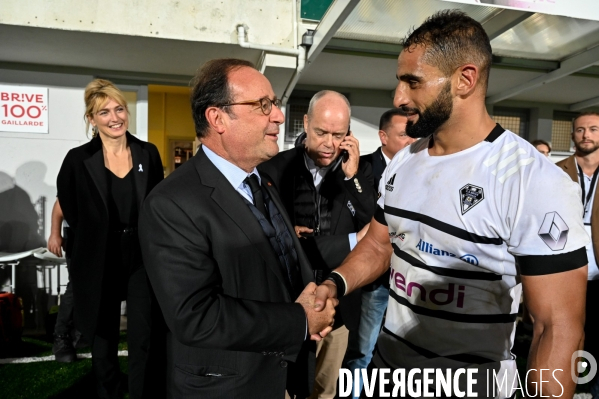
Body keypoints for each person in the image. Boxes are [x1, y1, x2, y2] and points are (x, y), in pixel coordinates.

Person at [313, 10, 589, 398]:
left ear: (465, 79)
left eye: (413, 82)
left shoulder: (533, 180)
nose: (399, 98)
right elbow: (379, 243)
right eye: (399, 81)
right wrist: (335, 283)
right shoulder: (405, 161)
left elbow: (557, 327)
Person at [138, 59, 337, 399]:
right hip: (229, 385)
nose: (277, 115)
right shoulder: (171, 203)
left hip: (286, 374)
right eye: (262, 105)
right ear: (217, 119)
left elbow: (275, 262)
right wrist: (299, 320)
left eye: (274, 103)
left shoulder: (264, 180)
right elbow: (196, 316)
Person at [259, 90, 375, 399]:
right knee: (285, 390)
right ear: (306, 123)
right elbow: (271, 236)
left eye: (338, 134)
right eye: (321, 132)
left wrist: (352, 179)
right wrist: (349, 241)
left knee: (325, 391)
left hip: (341, 309)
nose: (329, 143)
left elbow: (375, 230)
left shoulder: (361, 172)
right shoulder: (276, 168)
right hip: (290, 303)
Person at [56, 78, 165, 399]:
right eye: (104, 112)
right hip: (98, 257)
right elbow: (71, 208)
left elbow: (157, 204)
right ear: (91, 119)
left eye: (119, 109)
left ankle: (141, 393)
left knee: (142, 334)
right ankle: (110, 392)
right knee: (102, 334)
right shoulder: (77, 160)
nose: (115, 118)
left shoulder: (148, 152)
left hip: (140, 257)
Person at [343, 109, 416, 397]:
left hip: (410, 281)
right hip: (375, 279)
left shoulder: (419, 167)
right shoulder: (360, 168)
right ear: (383, 137)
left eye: (414, 133)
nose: (411, 140)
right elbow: (367, 219)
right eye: (403, 134)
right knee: (363, 350)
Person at [556, 111, 599, 398]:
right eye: (581, 130)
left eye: (594, 129)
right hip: (564, 263)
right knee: (564, 332)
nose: (587, 135)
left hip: (597, 263)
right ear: (572, 135)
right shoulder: (556, 170)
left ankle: (592, 388)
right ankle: (565, 385)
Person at [47, 199, 81, 362]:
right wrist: (55, 233)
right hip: (77, 232)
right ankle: (61, 336)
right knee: (76, 285)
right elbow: (61, 201)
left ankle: (80, 333)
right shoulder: (79, 172)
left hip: (103, 232)